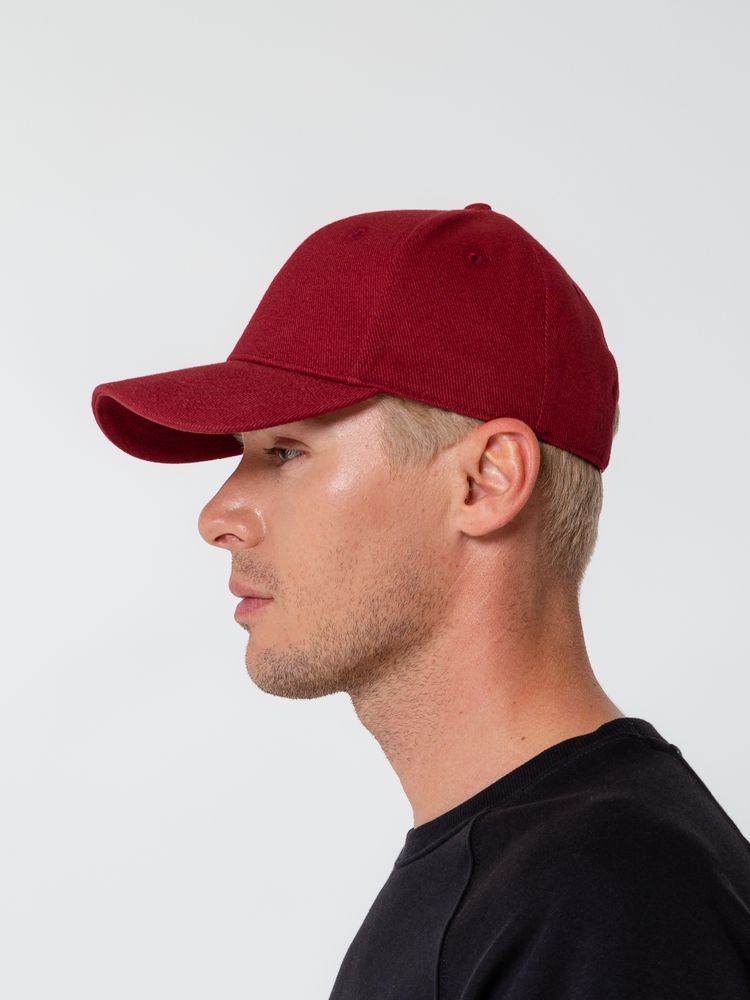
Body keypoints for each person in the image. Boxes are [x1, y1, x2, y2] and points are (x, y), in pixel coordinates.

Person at [91, 203, 750, 998]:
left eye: (286, 451)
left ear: (486, 481)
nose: (217, 517)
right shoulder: (524, 877)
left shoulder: (611, 894)